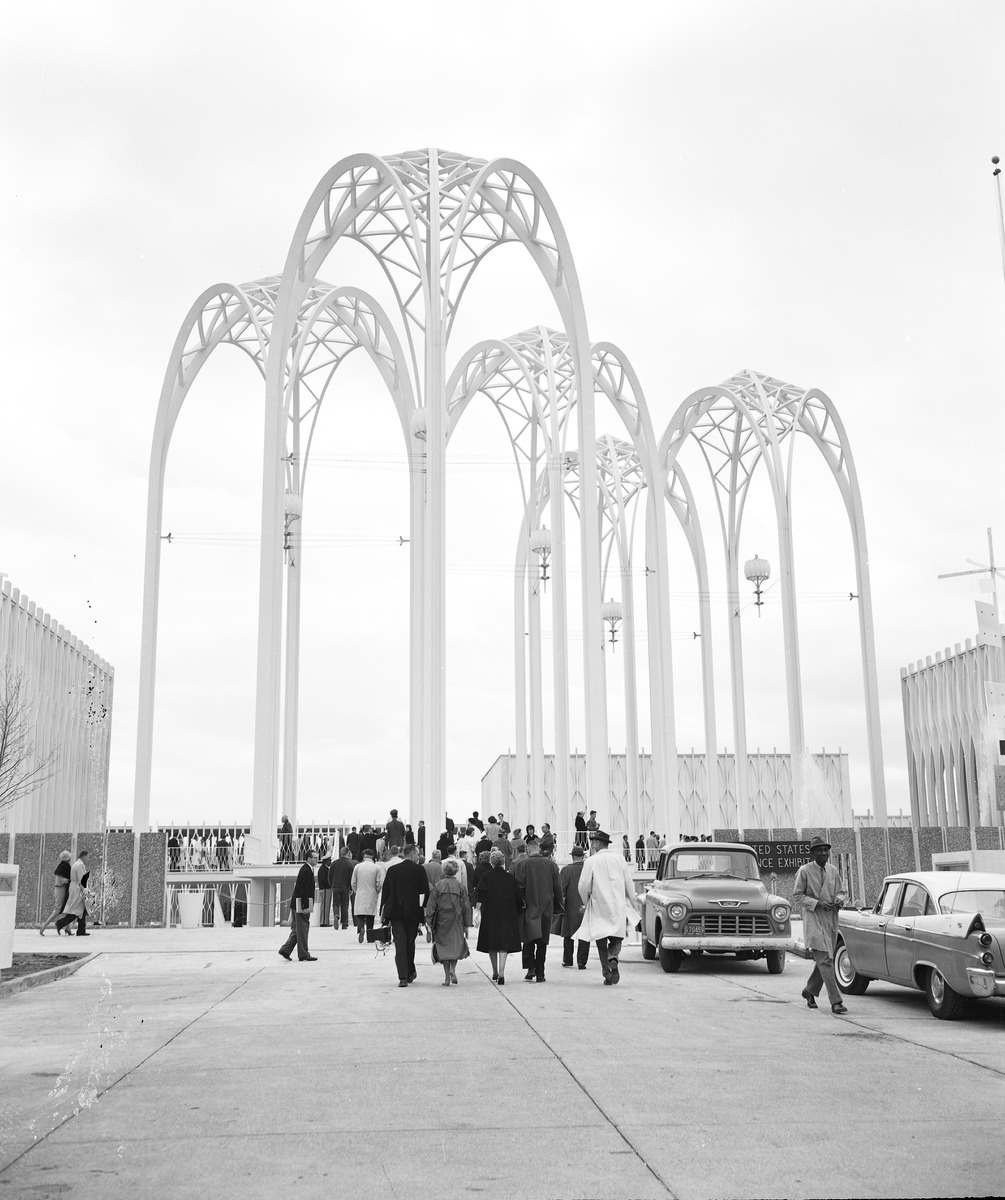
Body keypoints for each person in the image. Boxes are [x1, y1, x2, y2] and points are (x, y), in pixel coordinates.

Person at [793, 836, 849, 1015]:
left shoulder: (833, 870)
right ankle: (836, 1001)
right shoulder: (804, 871)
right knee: (825, 960)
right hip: (814, 920)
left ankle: (809, 991)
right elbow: (797, 896)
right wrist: (817, 903)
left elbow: (841, 891)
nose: (824, 853)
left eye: (826, 850)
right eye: (819, 850)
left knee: (825, 961)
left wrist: (839, 900)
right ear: (812, 853)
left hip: (831, 920)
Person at [577, 830, 641, 985]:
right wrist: (633, 902)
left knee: (600, 938)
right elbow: (628, 884)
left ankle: (606, 970)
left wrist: (586, 902)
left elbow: (583, 886)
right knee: (617, 936)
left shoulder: (591, 861)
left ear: (598, 843)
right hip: (618, 905)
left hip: (599, 905)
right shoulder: (620, 859)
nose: (591, 845)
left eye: (593, 843)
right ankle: (613, 957)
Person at [379, 844, 429, 987]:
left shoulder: (393, 870)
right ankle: (409, 972)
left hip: (395, 912)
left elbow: (386, 891)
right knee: (410, 942)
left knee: (400, 943)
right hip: (413, 912)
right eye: (417, 854)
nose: (418, 857)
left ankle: (402, 976)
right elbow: (424, 891)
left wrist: (383, 911)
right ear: (413, 854)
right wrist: (423, 910)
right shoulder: (419, 870)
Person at [514, 842, 563, 983]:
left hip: (529, 906)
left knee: (529, 937)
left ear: (528, 851)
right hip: (546, 906)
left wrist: (518, 904)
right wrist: (559, 903)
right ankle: (540, 972)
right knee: (542, 941)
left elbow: (519, 887)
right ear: (539, 849)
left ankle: (531, 968)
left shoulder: (522, 865)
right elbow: (557, 887)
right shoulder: (551, 865)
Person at [476, 848, 523, 984]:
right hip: (507, 913)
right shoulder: (510, 877)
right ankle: (502, 973)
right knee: (504, 944)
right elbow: (518, 895)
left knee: (492, 943)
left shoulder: (486, 876)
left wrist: (477, 911)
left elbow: (481, 894)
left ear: (491, 862)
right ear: (503, 862)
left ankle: (495, 971)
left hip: (490, 913)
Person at [426, 858, 472, 985]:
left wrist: (429, 922)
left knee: (443, 947)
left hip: (442, 919)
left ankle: (446, 977)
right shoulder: (460, 886)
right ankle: (453, 969)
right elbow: (466, 906)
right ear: (456, 871)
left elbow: (431, 905)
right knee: (455, 945)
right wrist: (467, 925)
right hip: (456, 919)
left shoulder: (438, 885)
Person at [279, 848, 318, 962]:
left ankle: (285, 950)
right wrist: (306, 907)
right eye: (314, 858)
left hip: (297, 904)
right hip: (301, 905)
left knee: (297, 930)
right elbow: (304, 890)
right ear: (309, 858)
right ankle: (304, 954)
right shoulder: (306, 870)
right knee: (302, 930)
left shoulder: (307, 869)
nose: (317, 860)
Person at [557, 845, 590, 969]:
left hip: (570, 907)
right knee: (584, 934)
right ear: (583, 856)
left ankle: (568, 960)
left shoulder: (566, 870)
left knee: (568, 934)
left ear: (572, 856)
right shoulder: (589, 869)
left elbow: (561, 890)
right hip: (585, 906)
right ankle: (581, 962)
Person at [55, 850, 92, 937]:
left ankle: (81, 930)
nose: (88, 859)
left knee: (81, 909)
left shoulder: (77, 864)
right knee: (76, 910)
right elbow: (81, 880)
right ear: (84, 856)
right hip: (78, 889)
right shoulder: (79, 865)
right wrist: (85, 891)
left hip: (75, 888)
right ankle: (60, 923)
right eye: (88, 857)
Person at [351, 850, 382, 943]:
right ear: (372, 857)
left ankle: (361, 928)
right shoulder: (376, 867)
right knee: (370, 916)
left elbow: (353, 882)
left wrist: (356, 890)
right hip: (371, 893)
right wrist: (377, 891)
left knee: (360, 914)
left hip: (360, 892)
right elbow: (378, 883)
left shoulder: (357, 867)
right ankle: (370, 936)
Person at [39, 850, 72, 936]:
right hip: (61, 889)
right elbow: (61, 880)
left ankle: (68, 928)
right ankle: (44, 926)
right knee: (58, 909)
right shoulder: (63, 868)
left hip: (61, 888)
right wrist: (71, 880)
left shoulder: (63, 867)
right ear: (68, 859)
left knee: (67, 908)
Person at [329, 847, 354, 930]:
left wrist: (331, 885)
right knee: (345, 904)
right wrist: (351, 888)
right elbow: (352, 877)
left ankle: (336, 915)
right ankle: (344, 923)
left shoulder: (334, 863)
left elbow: (330, 875)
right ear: (347, 853)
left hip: (335, 886)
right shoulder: (350, 864)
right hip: (345, 887)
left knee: (336, 903)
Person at [317, 855, 332, 926]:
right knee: (325, 906)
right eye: (329, 860)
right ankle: (324, 922)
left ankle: (325, 921)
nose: (330, 862)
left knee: (326, 906)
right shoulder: (323, 869)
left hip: (326, 889)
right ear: (326, 861)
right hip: (325, 889)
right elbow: (324, 880)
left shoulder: (325, 868)